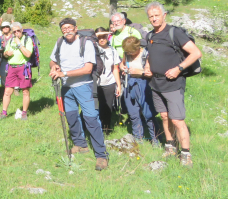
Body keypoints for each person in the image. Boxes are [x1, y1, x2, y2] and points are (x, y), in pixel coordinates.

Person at [145, 2, 202, 167]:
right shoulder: (150, 36)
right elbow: (150, 54)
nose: (154, 19)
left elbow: (196, 53)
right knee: (164, 116)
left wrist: (179, 68)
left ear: (164, 15)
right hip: (155, 83)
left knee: (177, 119)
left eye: (157, 15)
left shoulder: (174, 32)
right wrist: (148, 66)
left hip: (173, 83)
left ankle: (185, 154)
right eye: (151, 16)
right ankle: (170, 146)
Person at [49, 18, 108, 171]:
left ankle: (101, 155)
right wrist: (54, 66)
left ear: (76, 29)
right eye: (64, 28)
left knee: (91, 119)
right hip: (66, 87)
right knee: (71, 117)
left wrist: (64, 73)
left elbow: (88, 69)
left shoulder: (86, 43)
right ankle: (80, 144)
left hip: (84, 86)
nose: (66, 30)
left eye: (69, 27)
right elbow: (52, 59)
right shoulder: (60, 42)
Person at [120, 36, 157, 144]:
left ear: (137, 47)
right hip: (129, 84)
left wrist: (139, 72)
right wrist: (123, 68)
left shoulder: (146, 54)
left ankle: (155, 138)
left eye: (132, 51)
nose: (130, 54)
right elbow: (122, 64)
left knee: (148, 114)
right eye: (128, 52)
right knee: (133, 114)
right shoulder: (126, 54)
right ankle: (138, 138)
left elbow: (152, 73)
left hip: (144, 84)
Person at [0, 22, 34, 120]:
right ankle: (4, 112)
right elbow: (5, 54)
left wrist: (19, 44)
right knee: (7, 91)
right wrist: (6, 53)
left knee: (25, 91)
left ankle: (24, 113)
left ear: (22, 30)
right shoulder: (10, 41)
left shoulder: (27, 40)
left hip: (23, 68)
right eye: (14, 31)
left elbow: (28, 54)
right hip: (11, 68)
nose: (17, 33)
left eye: (18, 30)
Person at [94, 27, 122, 135]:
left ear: (107, 37)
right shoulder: (92, 49)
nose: (101, 39)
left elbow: (115, 69)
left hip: (109, 83)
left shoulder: (112, 51)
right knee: (93, 108)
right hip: (95, 83)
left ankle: (106, 130)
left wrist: (118, 85)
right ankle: (92, 130)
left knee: (107, 108)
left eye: (104, 37)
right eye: (99, 37)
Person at [0, 22, 13, 86]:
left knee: (13, 73)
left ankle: (15, 88)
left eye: (7, 27)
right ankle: (5, 88)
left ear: (10, 28)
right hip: (3, 58)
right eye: (3, 27)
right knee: (3, 73)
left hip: (13, 58)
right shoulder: (0, 38)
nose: (5, 28)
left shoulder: (14, 37)